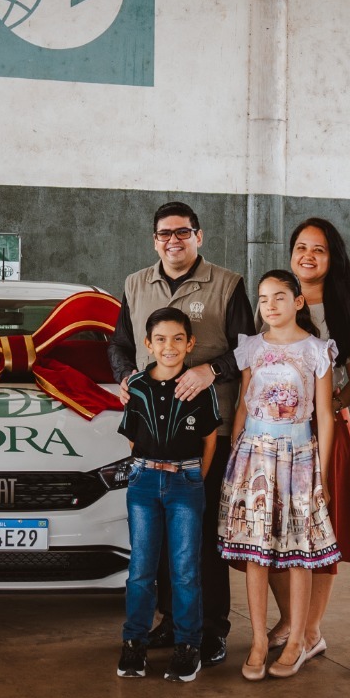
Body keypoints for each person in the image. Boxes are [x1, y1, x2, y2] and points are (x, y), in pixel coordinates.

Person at [108, 202, 256, 667]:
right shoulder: (135, 284)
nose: (173, 240)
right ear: (155, 240)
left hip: (208, 434)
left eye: (183, 232)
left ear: (199, 236)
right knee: (160, 541)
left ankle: (210, 629)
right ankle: (173, 621)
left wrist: (212, 370)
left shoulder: (227, 284)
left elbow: (249, 348)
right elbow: (119, 344)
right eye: (164, 233)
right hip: (154, 437)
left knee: (202, 537)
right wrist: (126, 376)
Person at [219, 270, 339, 680]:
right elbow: (243, 404)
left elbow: (325, 416)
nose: (269, 305)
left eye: (279, 297)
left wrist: (323, 475)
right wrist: (237, 456)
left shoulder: (316, 351)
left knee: (298, 552)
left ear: (298, 302)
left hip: (299, 457)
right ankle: (257, 640)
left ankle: (296, 641)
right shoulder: (252, 347)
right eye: (263, 298)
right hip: (254, 456)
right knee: (257, 552)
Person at [268, 218, 350, 660]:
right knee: (272, 530)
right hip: (275, 433)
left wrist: (334, 402)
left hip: (326, 433)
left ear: (333, 258)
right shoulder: (273, 300)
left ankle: (310, 630)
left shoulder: (343, 310)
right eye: (301, 247)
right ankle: (289, 620)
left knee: (322, 531)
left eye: (319, 249)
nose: (308, 256)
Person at [115, 308, 222, 683]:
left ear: (190, 343)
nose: (169, 346)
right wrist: (146, 469)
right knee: (141, 570)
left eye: (178, 338)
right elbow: (132, 438)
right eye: (160, 339)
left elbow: (210, 440)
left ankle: (188, 646)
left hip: (185, 483)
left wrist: (194, 478)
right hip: (143, 484)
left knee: (185, 571)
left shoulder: (199, 388)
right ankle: (134, 643)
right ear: (148, 344)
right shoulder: (137, 387)